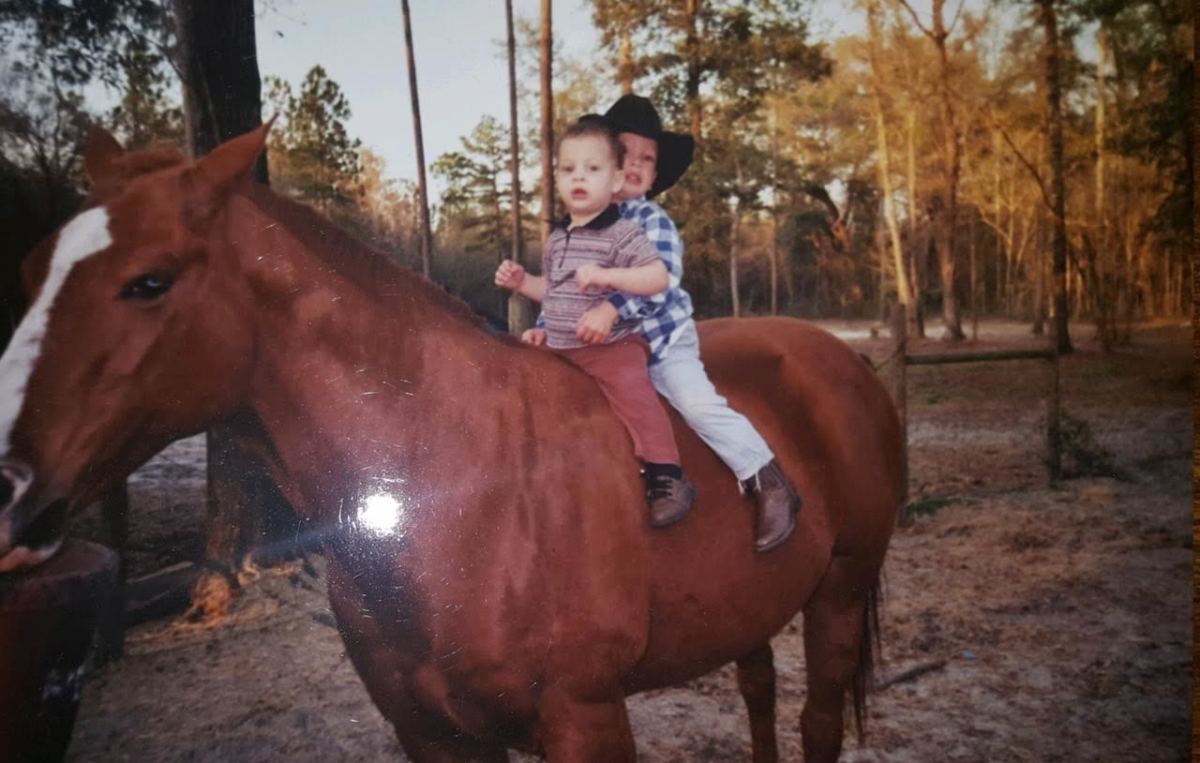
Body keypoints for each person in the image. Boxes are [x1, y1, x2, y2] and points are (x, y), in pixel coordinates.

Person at [574, 94, 802, 553]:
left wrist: (612, 307)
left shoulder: (650, 221)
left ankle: (767, 478)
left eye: (648, 159)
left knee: (694, 403)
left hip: (662, 339)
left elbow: (656, 282)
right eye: (625, 154)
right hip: (615, 347)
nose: (636, 165)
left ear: (655, 175)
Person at [495, 118, 696, 528]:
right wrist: (522, 283)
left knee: (634, 392)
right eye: (569, 170)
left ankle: (667, 474)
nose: (579, 178)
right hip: (562, 343)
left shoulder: (624, 233)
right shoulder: (558, 238)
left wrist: (608, 277)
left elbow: (657, 277)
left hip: (611, 346)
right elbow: (554, 290)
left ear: (616, 179)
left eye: (592, 169)